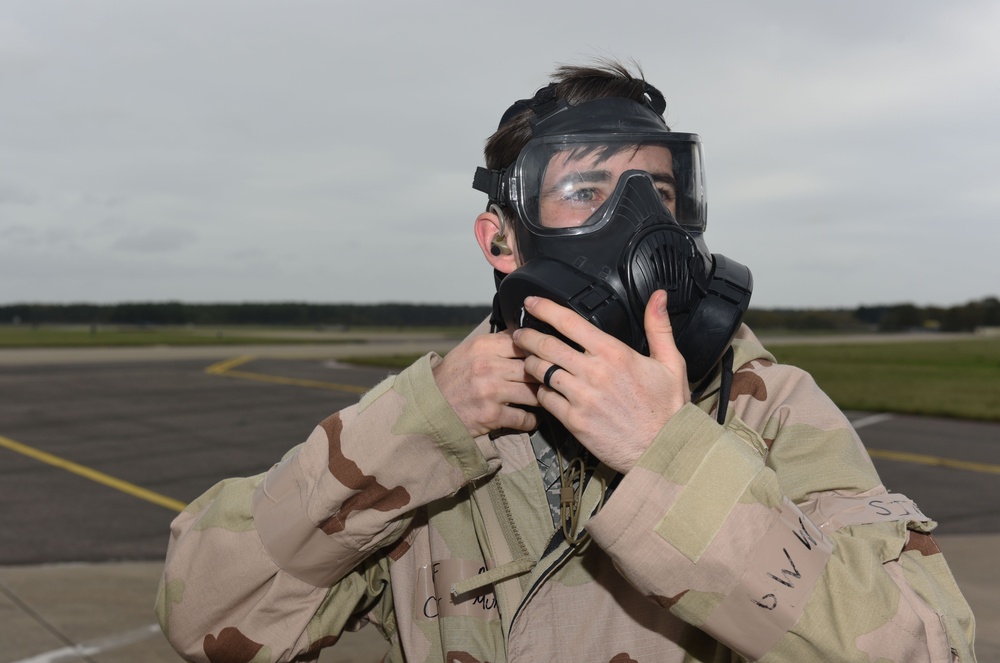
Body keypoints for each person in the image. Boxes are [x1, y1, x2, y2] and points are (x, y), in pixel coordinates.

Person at [157, 60, 977, 662]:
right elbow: (203, 616)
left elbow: (924, 647)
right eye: (586, 192)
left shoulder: (764, 405)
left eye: (656, 193)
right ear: (500, 240)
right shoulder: (427, 433)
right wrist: (415, 430)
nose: (638, 223)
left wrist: (671, 459)